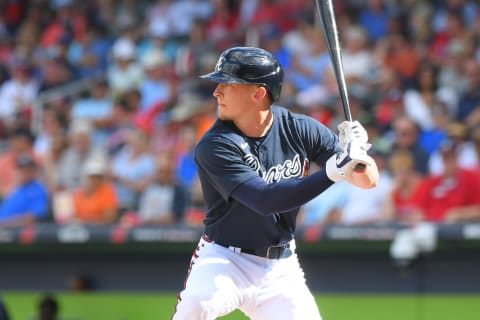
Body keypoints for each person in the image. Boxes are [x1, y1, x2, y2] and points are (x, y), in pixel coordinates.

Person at [172, 47, 379, 320]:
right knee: (197, 303)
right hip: (224, 259)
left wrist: (359, 157)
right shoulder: (215, 145)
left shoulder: (299, 128)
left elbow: (367, 181)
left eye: (227, 84)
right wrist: (332, 171)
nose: (216, 92)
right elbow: (264, 201)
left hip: (280, 268)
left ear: (258, 93)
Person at [0, 154, 49, 228]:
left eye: (28, 169)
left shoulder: (37, 190)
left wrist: (3, 224)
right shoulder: (16, 190)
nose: (24, 172)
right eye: (21, 169)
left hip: (15, 233)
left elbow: (32, 217)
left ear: (34, 171)